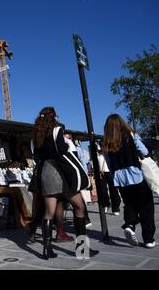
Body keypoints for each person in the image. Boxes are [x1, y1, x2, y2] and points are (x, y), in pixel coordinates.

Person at [32, 107, 98, 259]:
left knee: (49, 213)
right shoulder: (57, 129)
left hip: (46, 172)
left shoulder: (37, 134)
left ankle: (47, 250)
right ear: (54, 116)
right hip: (59, 170)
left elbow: (37, 155)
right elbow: (61, 149)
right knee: (79, 206)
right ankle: (82, 249)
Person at [102, 114, 156, 248]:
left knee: (130, 204)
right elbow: (143, 151)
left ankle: (130, 224)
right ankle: (148, 239)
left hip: (120, 179)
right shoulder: (130, 135)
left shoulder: (107, 142)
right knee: (146, 207)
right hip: (136, 175)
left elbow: (108, 162)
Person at [96, 142, 121, 216]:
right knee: (103, 191)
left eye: (100, 145)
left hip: (109, 171)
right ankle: (106, 204)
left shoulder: (108, 152)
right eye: (99, 145)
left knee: (113, 190)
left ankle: (116, 208)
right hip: (101, 173)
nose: (99, 147)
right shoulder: (97, 153)